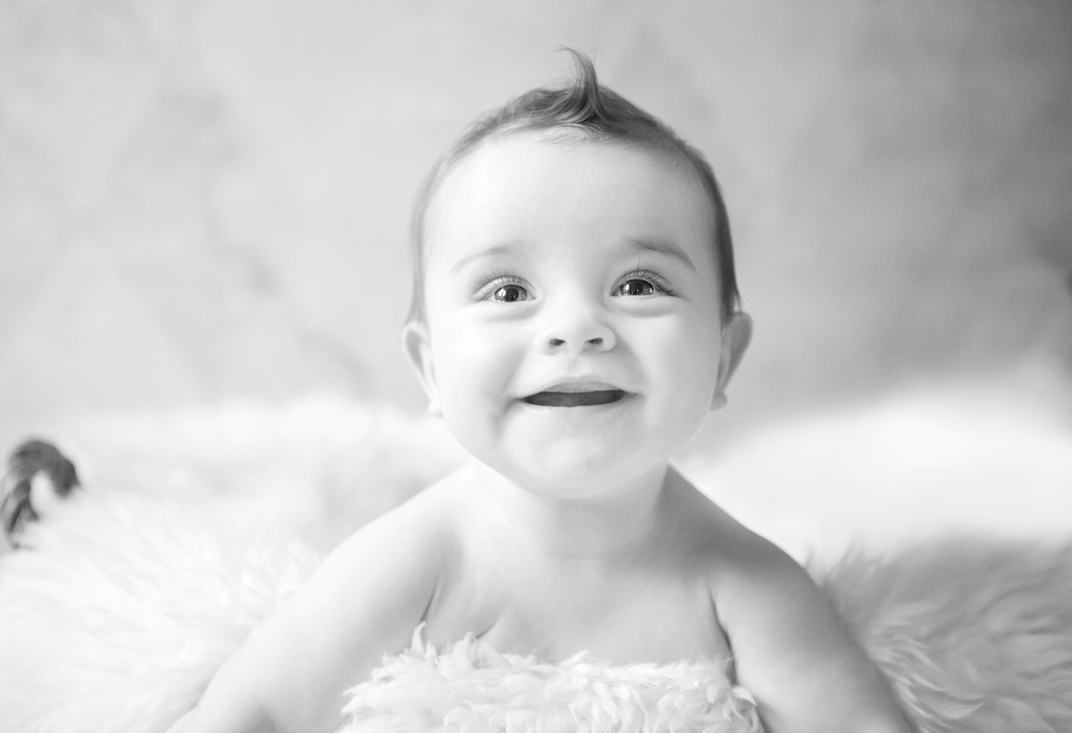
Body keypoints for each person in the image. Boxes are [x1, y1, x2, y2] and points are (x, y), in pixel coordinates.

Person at [168, 50, 912, 733]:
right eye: (508, 288)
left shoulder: (747, 584)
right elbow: (251, 711)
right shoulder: (414, 559)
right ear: (430, 369)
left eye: (638, 283)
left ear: (723, 358)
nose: (576, 328)